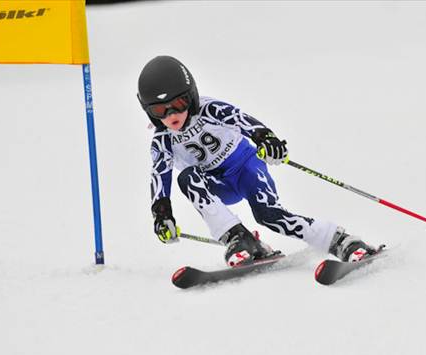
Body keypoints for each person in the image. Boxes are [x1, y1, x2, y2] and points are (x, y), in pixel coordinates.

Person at [138, 55, 377, 267]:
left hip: (245, 168)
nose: (172, 115)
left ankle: (340, 241)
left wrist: (266, 139)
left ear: (191, 97)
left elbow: (243, 120)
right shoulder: (162, 140)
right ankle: (239, 238)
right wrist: (162, 214)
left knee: (269, 215)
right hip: (215, 183)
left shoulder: (209, 109)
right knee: (187, 178)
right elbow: (160, 175)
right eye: (160, 110)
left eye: (178, 105)